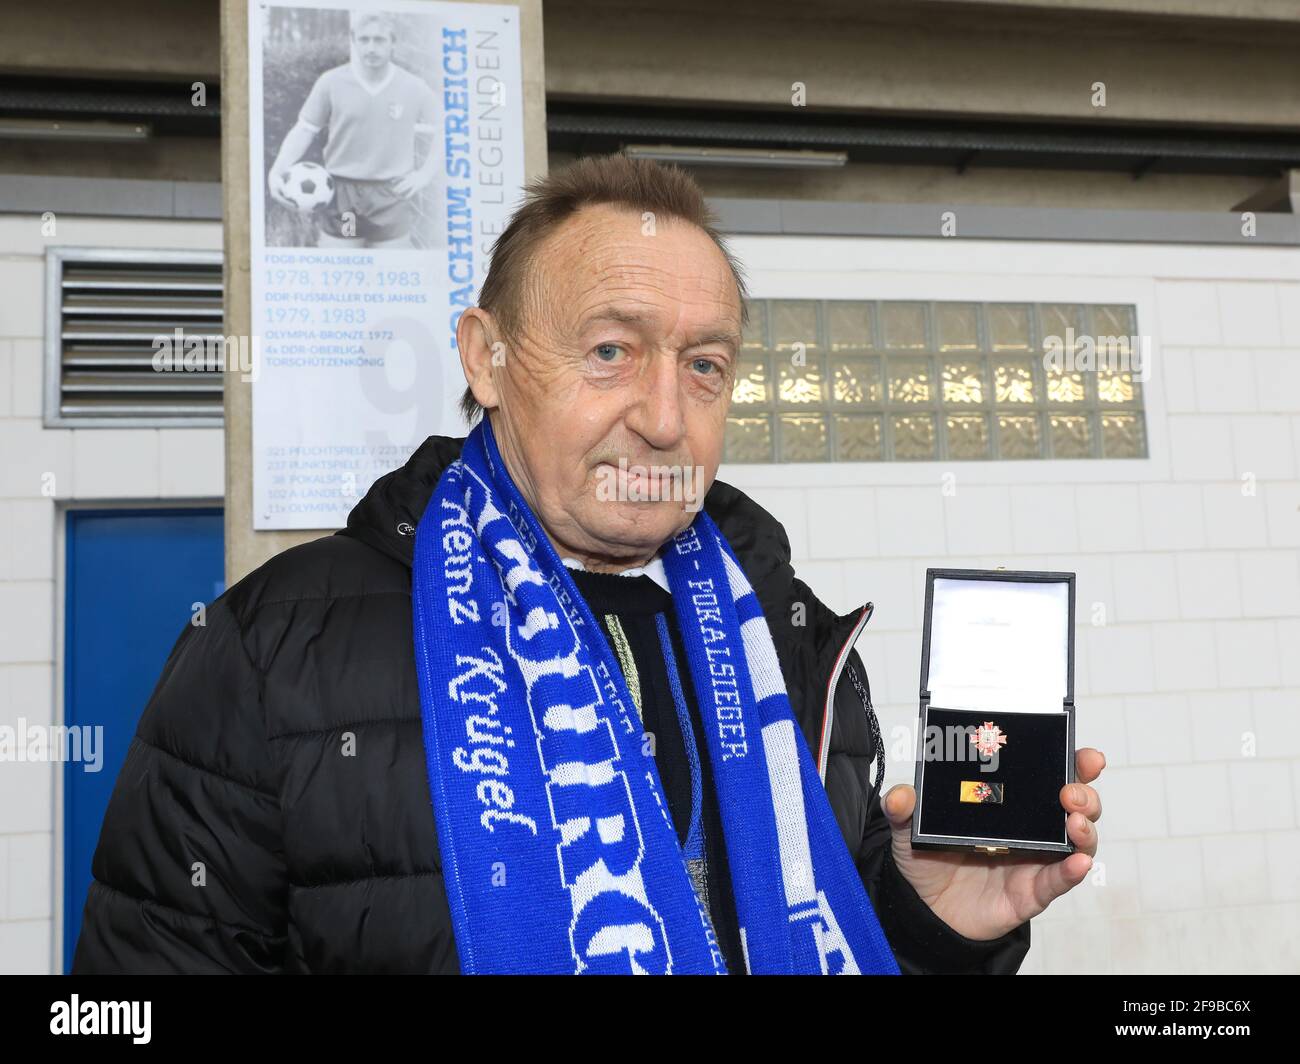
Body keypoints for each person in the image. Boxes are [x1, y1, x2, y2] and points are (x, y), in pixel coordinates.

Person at [73, 154, 1104, 974]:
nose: (663, 419)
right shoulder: (272, 646)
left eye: (703, 365)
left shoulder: (793, 640)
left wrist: (932, 924)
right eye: (610, 350)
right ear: (486, 357)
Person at [267, 11, 437, 248]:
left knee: (392, 275)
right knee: (341, 271)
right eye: (364, 40)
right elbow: (305, 129)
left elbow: (448, 128)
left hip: (392, 196)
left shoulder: (414, 87)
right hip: (343, 196)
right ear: (354, 42)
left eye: (379, 40)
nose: (371, 48)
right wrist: (277, 171)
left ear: (392, 44)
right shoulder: (331, 82)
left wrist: (426, 173)